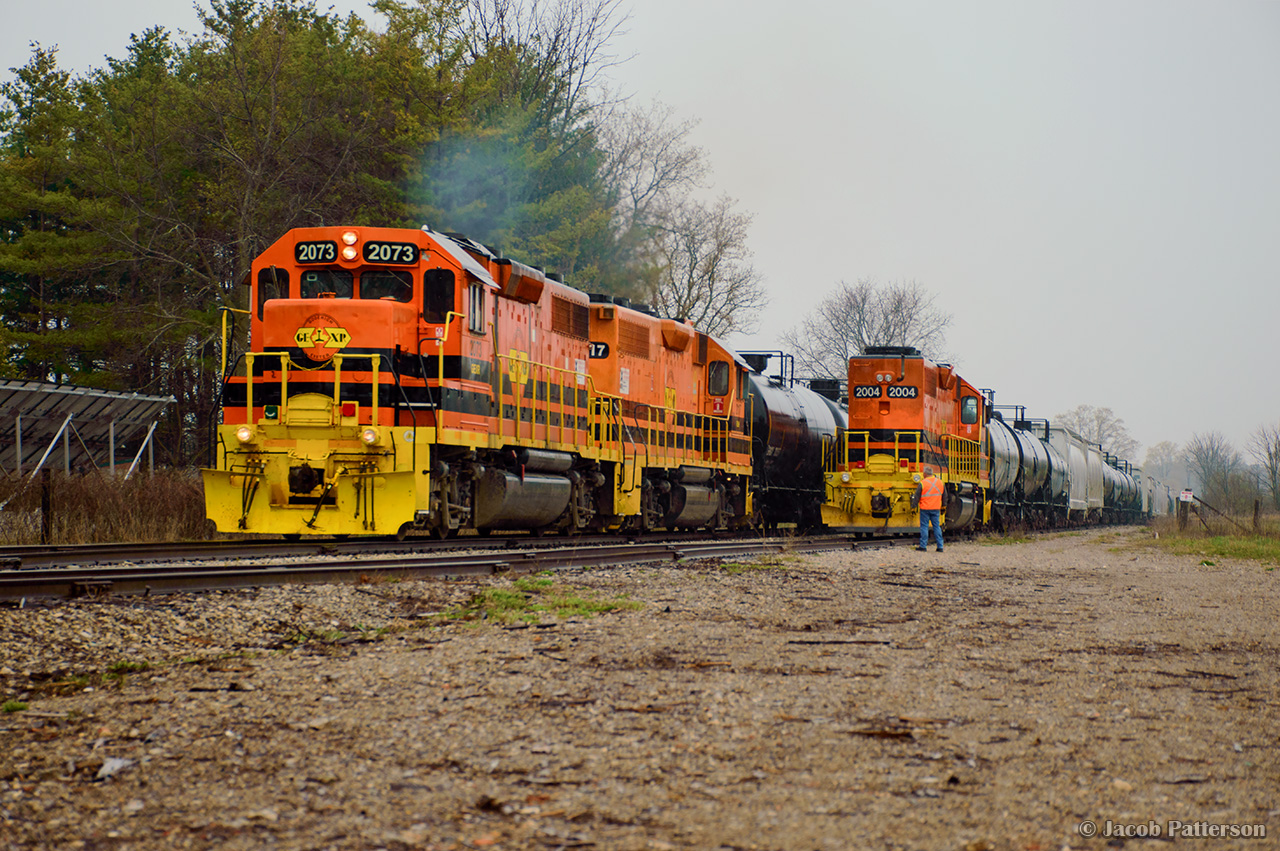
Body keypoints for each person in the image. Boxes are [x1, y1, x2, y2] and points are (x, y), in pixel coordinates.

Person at [914, 465, 944, 552]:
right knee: (936, 527)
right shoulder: (940, 482)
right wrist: (944, 505)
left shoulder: (922, 483)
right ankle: (940, 546)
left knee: (924, 527)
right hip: (936, 508)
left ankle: (923, 546)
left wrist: (913, 506)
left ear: (924, 474)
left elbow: (917, 496)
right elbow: (944, 495)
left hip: (925, 509)